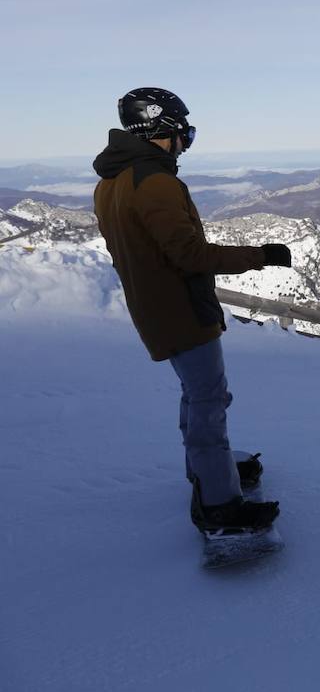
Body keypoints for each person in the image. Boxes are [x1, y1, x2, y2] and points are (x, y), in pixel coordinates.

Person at [92, 88, 291, 536]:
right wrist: (260, 255)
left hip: (156, 306)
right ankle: (219, 505)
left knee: (199, 395)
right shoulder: (154, 182)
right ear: (162, 131)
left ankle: (209, 472)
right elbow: (189, 255)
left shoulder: (111, 183)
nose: (186, 143)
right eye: (186, 133)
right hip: (181, 309)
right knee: (208, 401)